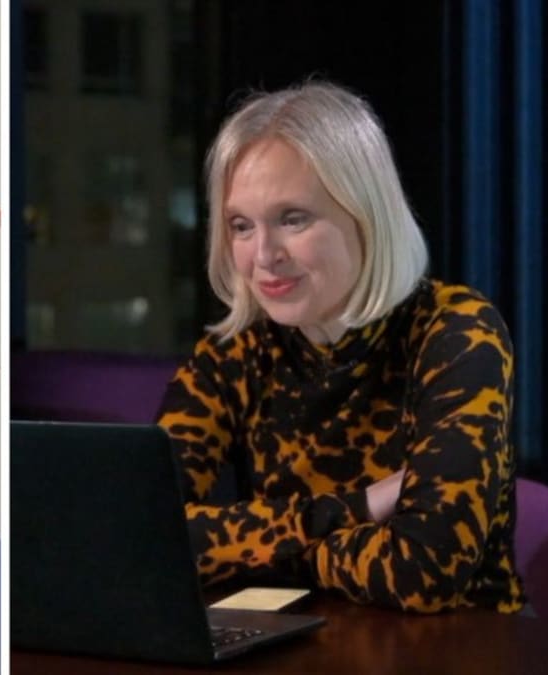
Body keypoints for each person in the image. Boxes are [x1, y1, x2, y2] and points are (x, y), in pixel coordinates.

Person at [157, 80, 525, 613]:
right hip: (292, 646)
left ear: (366, 215)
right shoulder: (235, 353)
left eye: (292, 218)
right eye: (241, 226)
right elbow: (142, 533)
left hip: (458, 649)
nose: (263, 255)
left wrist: (260, 546)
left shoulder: (456, 332)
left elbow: (424, 571)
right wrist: (357, 507)